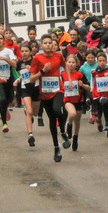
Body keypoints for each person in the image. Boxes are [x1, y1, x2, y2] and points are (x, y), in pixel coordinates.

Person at [29, 33, 68, 162]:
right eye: (45, 43)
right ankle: (56, 147)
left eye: (49, 43)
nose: (48, 45)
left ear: (53, 45)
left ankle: (63, 132)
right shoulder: (37, 58)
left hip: (58, 89)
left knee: (58, 110)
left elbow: (65, 65)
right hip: (45, 93)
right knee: (52, 120)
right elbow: (31, 79)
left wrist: (69, 80)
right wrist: (43, 72)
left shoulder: (58, 55)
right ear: (42, 46)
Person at [0, 31, 18, 132]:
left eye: (1, 38)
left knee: (8, 99)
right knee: (2, 99)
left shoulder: (8, 51)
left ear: (3, 40)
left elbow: (14, 66)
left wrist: (6, 59)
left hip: (8, 80)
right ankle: (4, 123)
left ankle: (3, 109)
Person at [61, 54, 86, 152]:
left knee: (78, 121)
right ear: (66, 63)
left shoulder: (79, 75)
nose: (71, 64)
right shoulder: (63, 74)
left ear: (76, 64)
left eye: (73, 62)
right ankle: (69, 125)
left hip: (78, 100)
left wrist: (82, 84)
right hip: (67, 99)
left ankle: (75, 138)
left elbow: (88, 87)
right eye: (69, 62)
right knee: (72, 114)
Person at [91, 51, 108, 138]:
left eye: (103, 60)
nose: (102, 62)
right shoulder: (94, 72)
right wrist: (92, 89)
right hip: (99, 94)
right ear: (97, 62)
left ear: (106, 61)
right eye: (100, 61)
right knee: (103, 102)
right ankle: (105, 122)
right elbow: (93, 80)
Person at [18, 43, 40, 147]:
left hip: (36, 88)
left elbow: (40, 73)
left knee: (35, 113)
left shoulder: (35, 61)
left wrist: (31, 68)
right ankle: (30, 135)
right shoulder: (19, 63)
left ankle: (29, 113)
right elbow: (20, 75)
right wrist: (18, 80)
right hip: (25, 88)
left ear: (30, 52)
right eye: (22, 51)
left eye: (26, 51)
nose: (24, 53)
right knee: (29, 112)